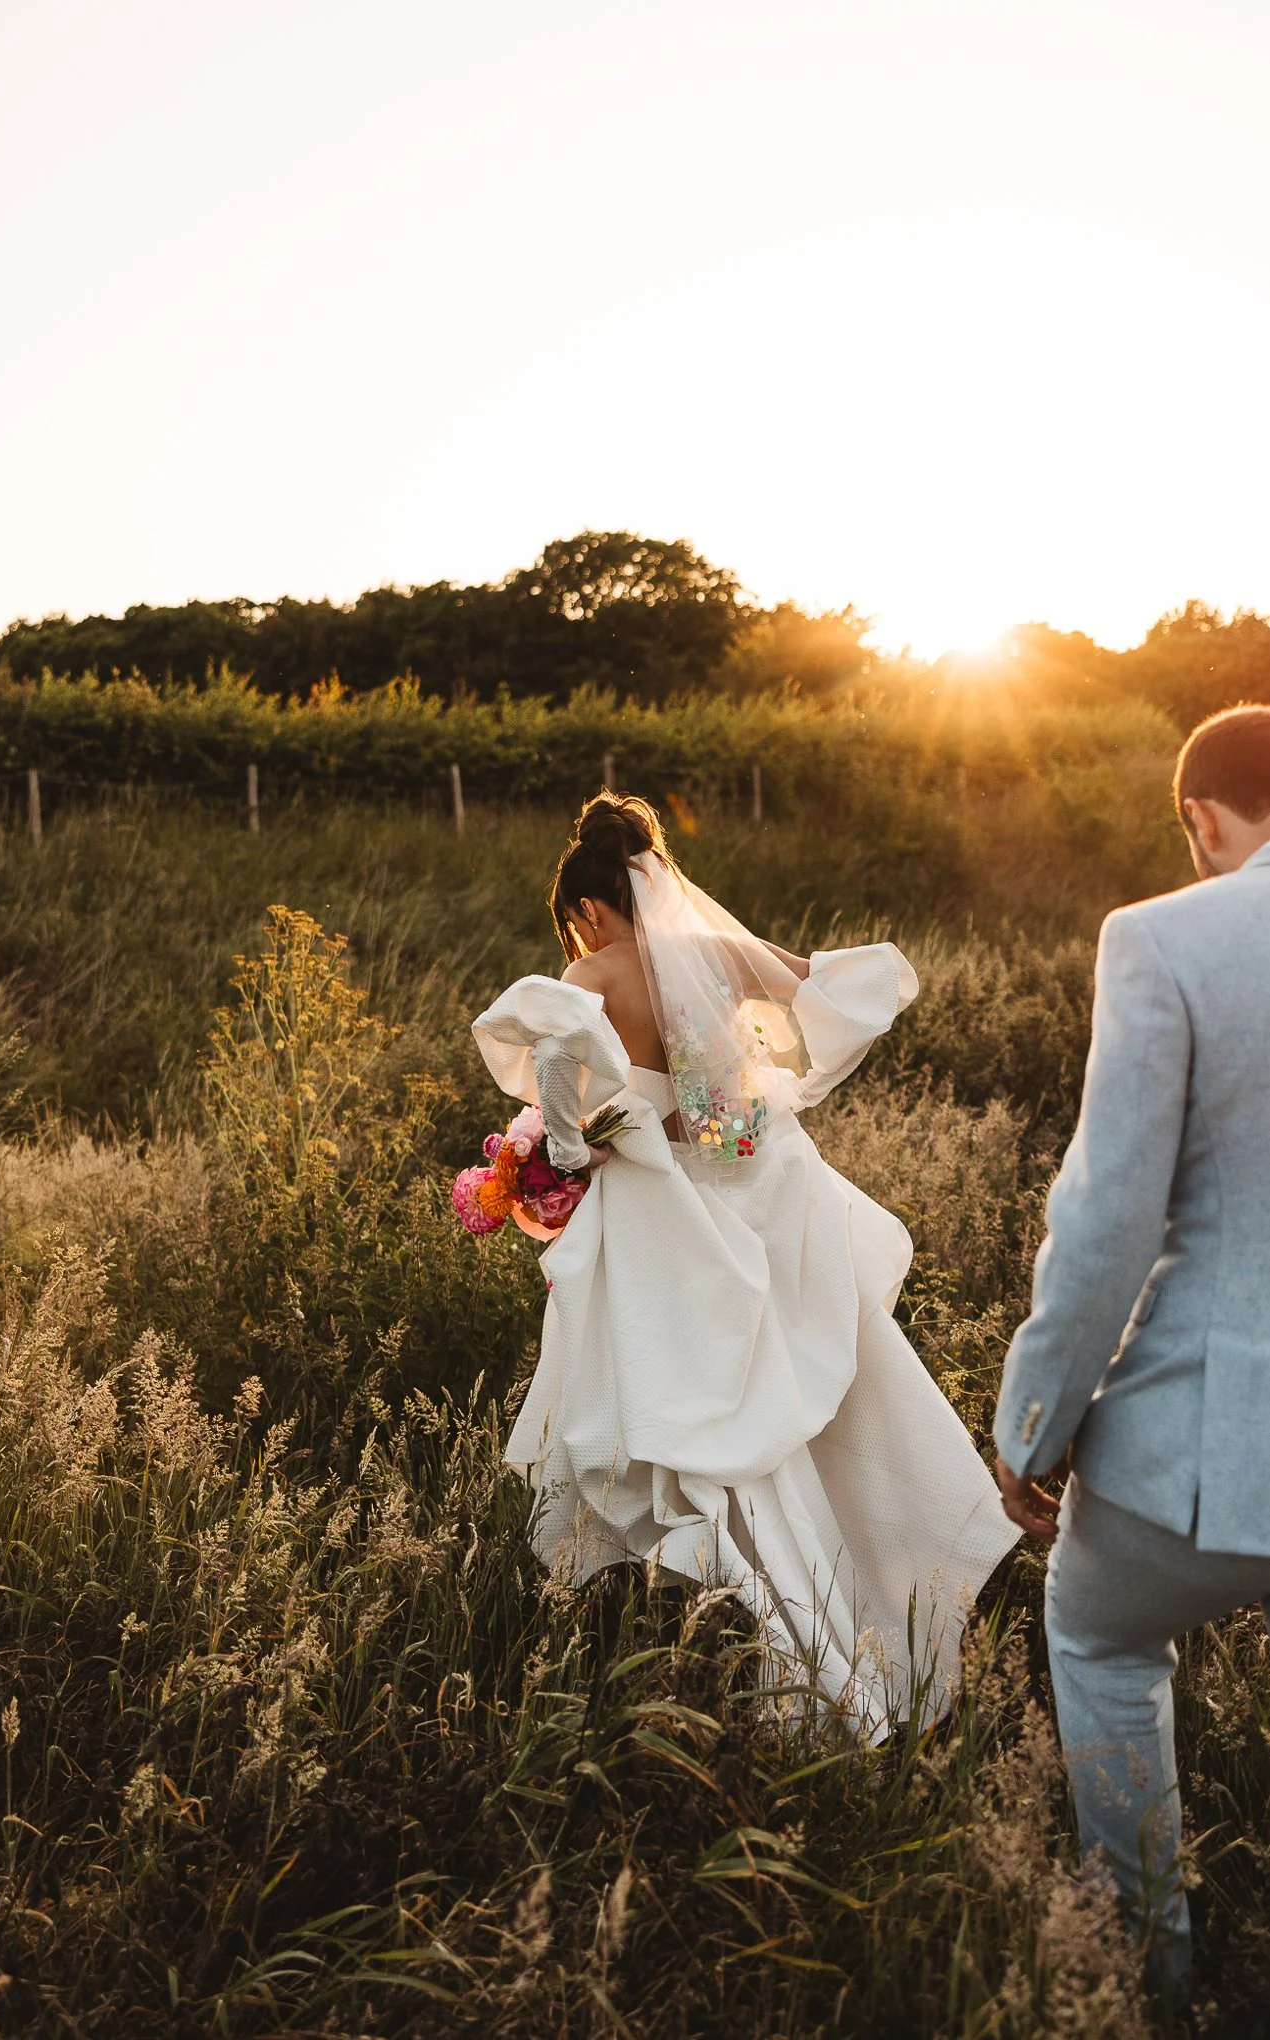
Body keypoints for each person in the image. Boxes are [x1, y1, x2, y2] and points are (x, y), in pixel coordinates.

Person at [472, 793, 1017, 1740]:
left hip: (657, 1222)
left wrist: (553, 1158)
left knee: (673, 1415)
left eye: (575, 921)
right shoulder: (714, 955)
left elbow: (563, 1116)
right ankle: (868, 1594)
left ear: (591, 908)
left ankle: (716, 1620)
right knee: (788, 1421)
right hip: (752, 1197)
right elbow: (819, 1002)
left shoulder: (586, 974)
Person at [994, 703, 1270, 1984]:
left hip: (1212, 1451)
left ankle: (1149, 1971)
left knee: (1100, 1636)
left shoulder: (1163, 938)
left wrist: (1030, 1431)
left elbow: (1106, 1221)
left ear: (1200, 820)